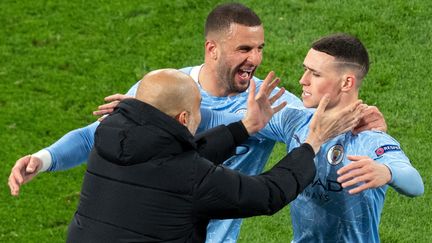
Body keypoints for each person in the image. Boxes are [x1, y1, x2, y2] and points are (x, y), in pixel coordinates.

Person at [8, 3, 387, 242]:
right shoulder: (164, 90)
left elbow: (314, 122)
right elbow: (93, 136)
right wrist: (45, 157)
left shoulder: (264, 103)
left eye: (259, 48)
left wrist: (360, 118)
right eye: (244, 48)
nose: (254, 58)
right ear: (213, 49)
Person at [66, 68, 363, 242]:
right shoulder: (189, 176)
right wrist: (312, 143)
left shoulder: (112, 138)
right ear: (184, 119)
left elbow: (176, 157)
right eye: (198, 112)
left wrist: (245, 127)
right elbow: (266, 194)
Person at [252, 34, 423, 242]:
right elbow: (242, 117)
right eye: (305, 69)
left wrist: (388, 172)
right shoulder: (297, 122)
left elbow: (415, 184)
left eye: (315, 74)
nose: (302, 80)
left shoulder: (369, 139)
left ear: (346, 82)